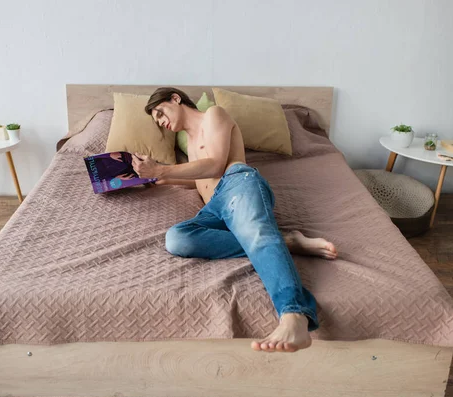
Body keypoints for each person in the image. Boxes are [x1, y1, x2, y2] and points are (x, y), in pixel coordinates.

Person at [132, 87, 338, 353]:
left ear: (175, 98)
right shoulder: (190, 142)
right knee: (177, 238)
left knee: (256, 233)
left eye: (160, 112)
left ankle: (294, 315)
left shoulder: (213, 115)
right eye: (156, 120)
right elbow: (199, 180)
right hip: (214, 209)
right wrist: (159, 179)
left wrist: (162, 168)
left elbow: (217, 165)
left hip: (237, 184)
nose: (161, 121)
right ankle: (287, 240)